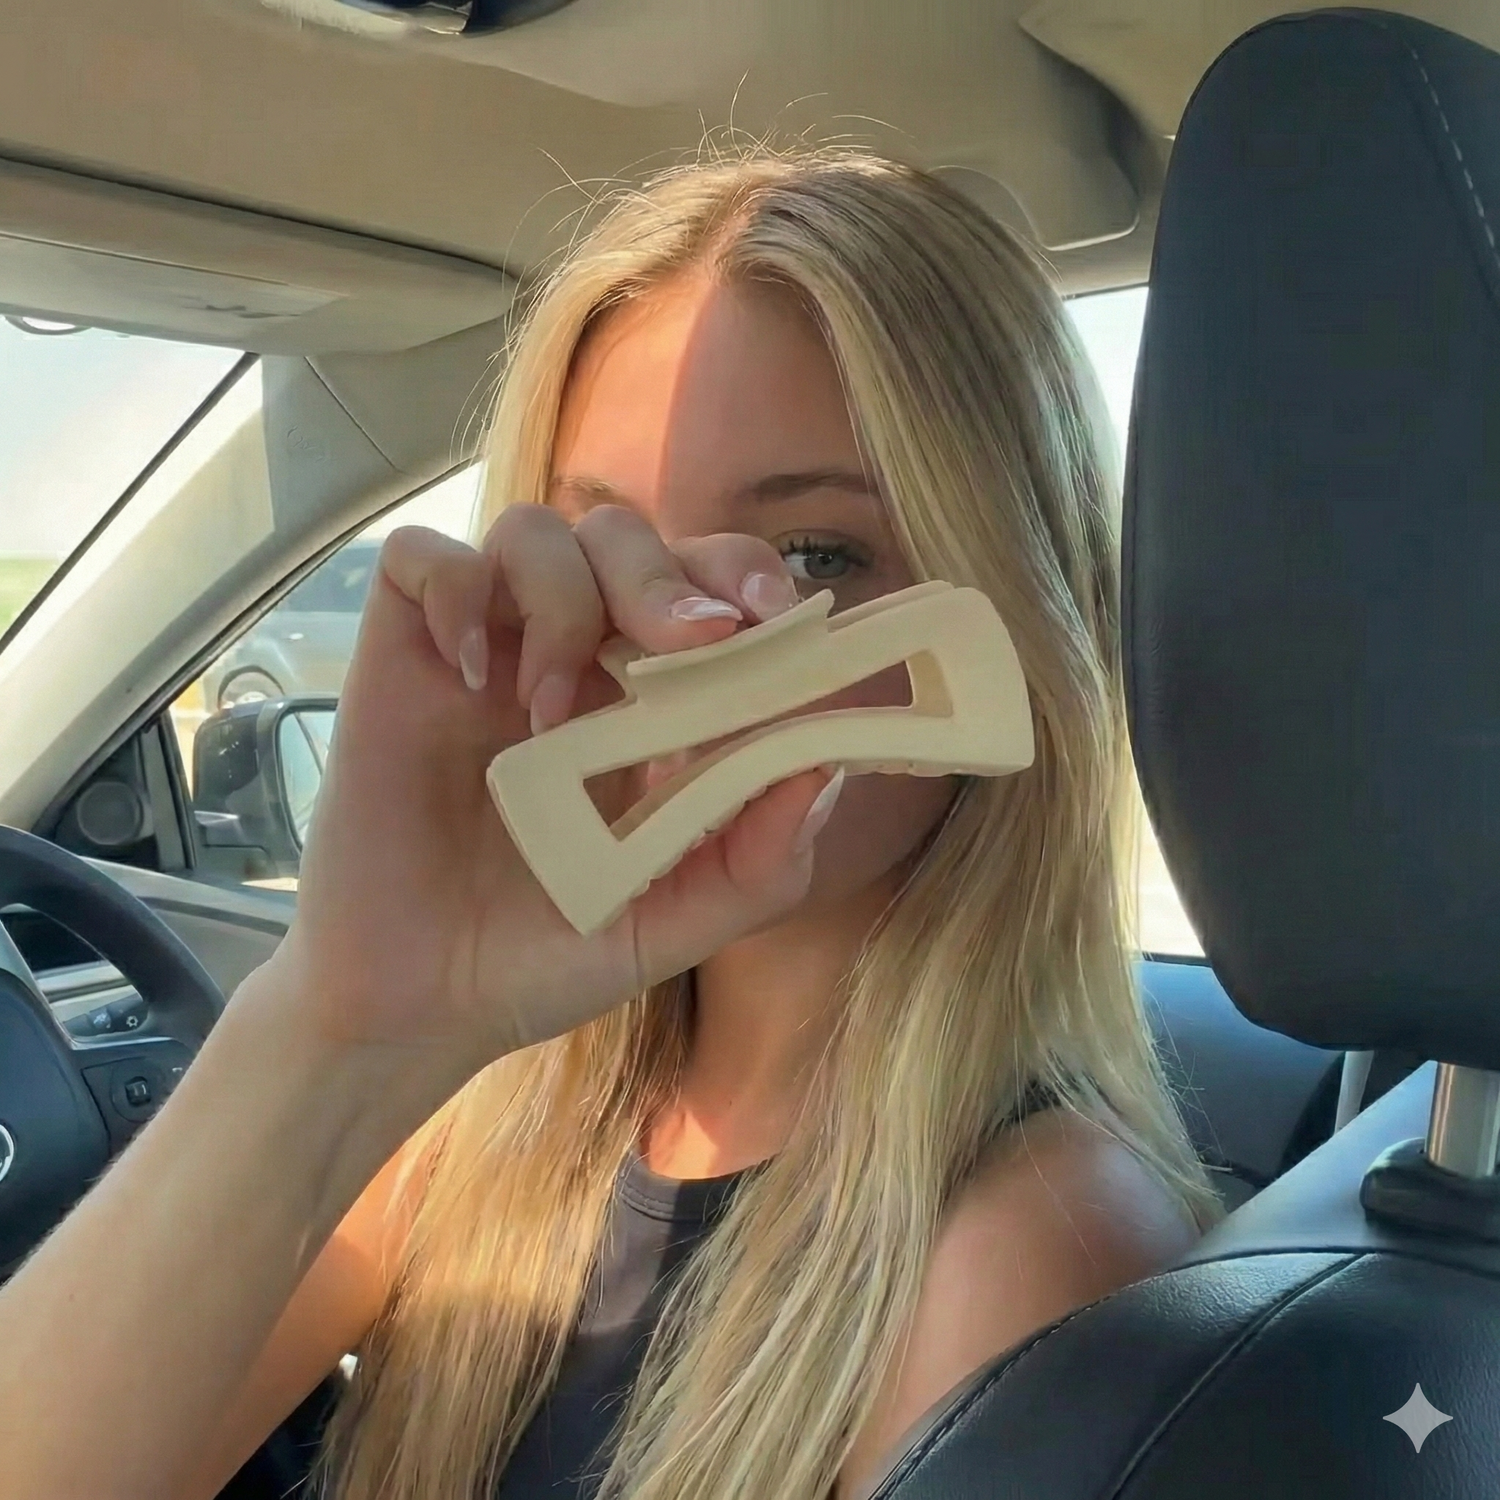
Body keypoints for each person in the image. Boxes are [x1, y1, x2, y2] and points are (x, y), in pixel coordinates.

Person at [0, 147, 1220, 1500]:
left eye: (816, 555)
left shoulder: (1032, 1250)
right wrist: (337, 1021)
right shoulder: (475, 1115)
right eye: (602, 551)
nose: (669, 639)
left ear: (1011, 628)